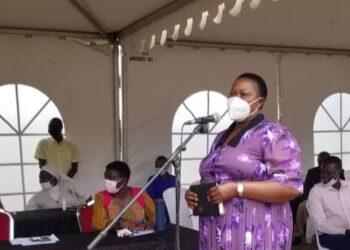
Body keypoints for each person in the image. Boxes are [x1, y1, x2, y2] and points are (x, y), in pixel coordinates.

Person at [185, 73, 303, 250]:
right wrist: (195, 195)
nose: (235, 99)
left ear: (260, 101)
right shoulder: (219, 137)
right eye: (232, 94)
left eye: (244, 94)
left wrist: (236, 189)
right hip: (214, 230)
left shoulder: (273, 134)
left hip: (256, 232)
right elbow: (213, 179)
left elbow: (291, 186)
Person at [92, 161, 156, 231]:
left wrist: (151, 222)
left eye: (112, 178)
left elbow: (155, 214)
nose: (108, 181)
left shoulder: (140, 194)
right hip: (114, 240)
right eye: (106, 177)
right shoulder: (101, 197)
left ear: (125, 180)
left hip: (141, 239)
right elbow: (97, 223)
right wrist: (118, 222)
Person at [308, 156, 350, 250]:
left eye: (328, 172)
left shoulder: (348, 187)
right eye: (322, 172)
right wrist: (345, 232)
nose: (323, 175)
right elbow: (321, 226)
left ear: (338, 173)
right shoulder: (316, 192)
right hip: (329, 235)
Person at [292, 151, 334, 245]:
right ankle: (297, 235)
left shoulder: (337, 171)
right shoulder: (312, 172)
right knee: (301, 208)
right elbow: (306, 190)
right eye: (320, 161)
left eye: (324, 161)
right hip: (313, 200)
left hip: (332, 200)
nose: (322, 164)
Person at [26, 164, 91, 210]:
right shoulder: (38, 196)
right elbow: (27, 213)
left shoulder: (70, 184)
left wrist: (90, 212)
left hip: (75, 222)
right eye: (40, 178)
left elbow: (88, 197)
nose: (41, 181)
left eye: (44, 177)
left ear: (54, 177)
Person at [146, 155, 176, 223]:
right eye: (157, 166)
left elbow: (177, 196)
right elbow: (150, 199)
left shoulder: (174, 179)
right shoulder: (152, 179)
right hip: (159, 211)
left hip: (172, 211)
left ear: (167, 166)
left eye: (161, 165)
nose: (158, 168)